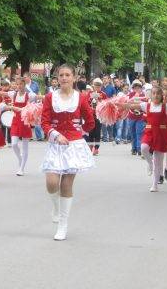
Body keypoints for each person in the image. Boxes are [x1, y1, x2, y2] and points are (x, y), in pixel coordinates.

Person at [41, 64, 95, 241]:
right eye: (61, 75)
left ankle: (63, 225)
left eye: (67, 75)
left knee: (66, 185)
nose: (64, 78)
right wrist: (55, 135)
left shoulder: (81, 98)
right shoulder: (50, 97)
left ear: (73, 77)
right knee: (51, 183)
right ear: (57, 78)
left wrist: (80, 134)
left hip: (73, 146)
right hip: (55, 144)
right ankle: (55, 207)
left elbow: (90, 121)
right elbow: (45, 122)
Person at [122, 87, 167, 192]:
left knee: (158, 160)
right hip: (150, 132)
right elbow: (130, 105)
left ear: (161, 96)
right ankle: (149, 163)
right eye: (154, 93)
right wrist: (114, 104)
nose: (156, 95)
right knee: (143, 148)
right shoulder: (146, 105)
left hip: (161, 134)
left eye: (158, 93)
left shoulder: (166, 106)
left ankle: (155, 184)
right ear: (151, 95)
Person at [10, 77, 37, 175]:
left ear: (24, 85)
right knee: (14, 144)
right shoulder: (13, 94)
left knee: (25, 146)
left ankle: (21, 168)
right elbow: (1, 93)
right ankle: (20, 159)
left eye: (20, 84)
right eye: (17, 84)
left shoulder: (29, 95)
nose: (18, 86)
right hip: (15, 120)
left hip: (25, 121)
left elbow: (40, 98)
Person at [128, 80, 147, 155]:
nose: (137, 89)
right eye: (135, 87)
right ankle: (133, 148)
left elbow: (145, 105)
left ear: (141, 88)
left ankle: (139, 149)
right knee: (132, 133)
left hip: (140, 117)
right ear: (133, 88)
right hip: (132, 116)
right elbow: (128, 103)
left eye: (138, 87)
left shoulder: (143, 96)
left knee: (139, 133)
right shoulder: (130, 94)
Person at [83, 79, 102, 155]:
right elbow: (86, 103)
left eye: (99, 86)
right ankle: (90, 146)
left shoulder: (103, 94)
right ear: (93, 86)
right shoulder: (90, 93)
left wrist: (99, 101)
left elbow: (106, 103)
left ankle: (96, 148)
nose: (97, 88)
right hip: (91, 115)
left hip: (99, 116)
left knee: (97, 132)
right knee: (91, 131)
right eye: (96, 86)